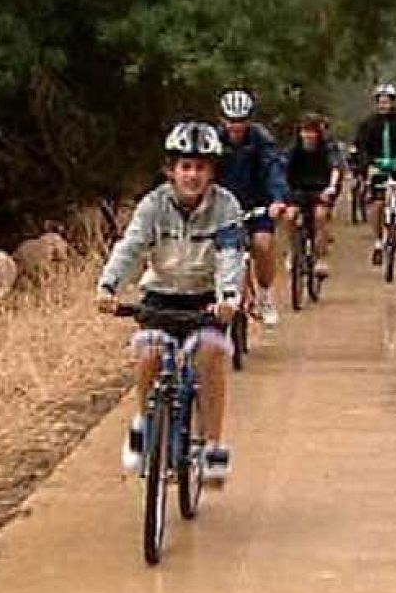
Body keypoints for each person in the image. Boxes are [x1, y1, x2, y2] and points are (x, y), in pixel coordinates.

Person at [97, 121, 243, 481]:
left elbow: (230, 254)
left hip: (206, 299)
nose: (192, 175)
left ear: (212, 171)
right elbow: (131, 247)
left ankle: (211, 445)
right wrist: (109, 286)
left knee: (210, 356)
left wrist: (228, 297)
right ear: (171, 170)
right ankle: (145, 423)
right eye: (185, 166)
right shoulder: (153, 205)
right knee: (149, 354)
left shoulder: (225, 206)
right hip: (161, 296)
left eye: (201, 167)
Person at [215, 88, 289, 326]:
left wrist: (277, 199)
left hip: (257, 204)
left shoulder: (261, 140)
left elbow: (273, 169)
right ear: (222, 119)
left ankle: (265, 296)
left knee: (262, 244)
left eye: (241, 121)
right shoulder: (214, 141)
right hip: (223, 207)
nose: (235, 126)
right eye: (231, 121)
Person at [352, 83, 396, 266]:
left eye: (387, 102)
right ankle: (378, 240)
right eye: (380, 102)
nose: (383, 105)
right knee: (377, 205)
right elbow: (361, 147)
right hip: (377, 164)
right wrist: (366, 167)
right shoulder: (367, 124)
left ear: (393, 102)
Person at [283, 112, 343, 277]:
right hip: (298, 190)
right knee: (289, 216)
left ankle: (320, 257)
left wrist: (331, 187)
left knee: (320, 216)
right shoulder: (293, 148)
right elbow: (282, 168)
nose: (308, 136)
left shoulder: (328, 147)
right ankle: (292, 249)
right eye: (304, 131)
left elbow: (336, 168)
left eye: (312, 131)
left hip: (321, 190)